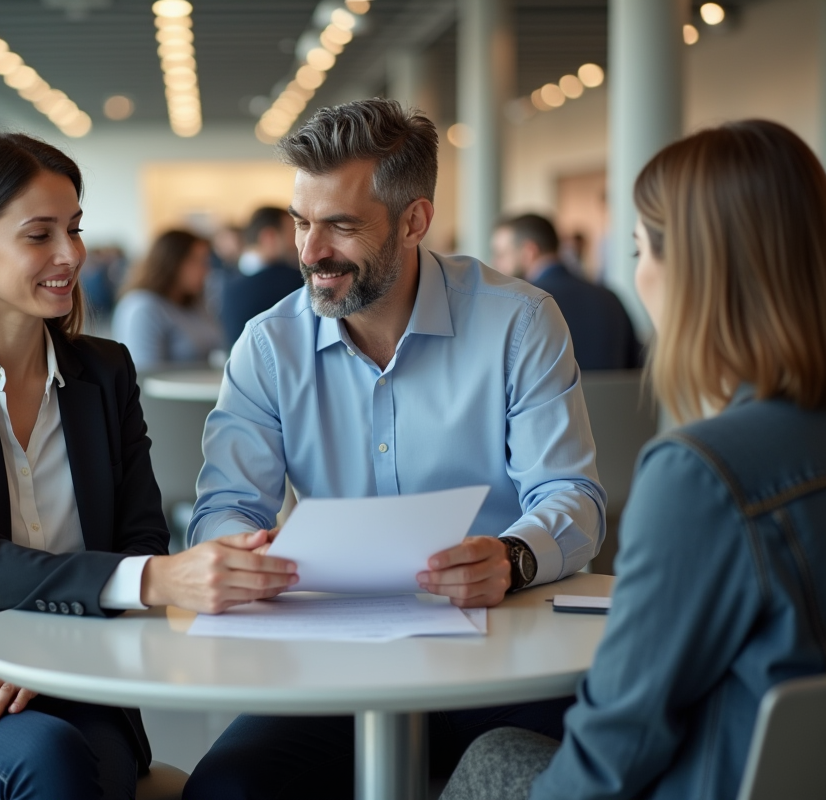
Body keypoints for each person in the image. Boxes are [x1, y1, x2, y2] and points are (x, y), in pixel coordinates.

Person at [0, 131, 298, 800]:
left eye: (73, 229)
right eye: (39, 235)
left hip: (71, 680)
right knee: (50, 761)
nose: (71, 255)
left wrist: (45, 649)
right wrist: (159, 581)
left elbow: (140, 534)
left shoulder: (104, 372)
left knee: (84, 763)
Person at [183, 98, 606, 798]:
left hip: (500, 656)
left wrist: (512, 557)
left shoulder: (519, 323)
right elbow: (223, 510)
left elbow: (573, 498)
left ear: (414, 221)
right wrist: (245, 555)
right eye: (301, 221)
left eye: (340, 226)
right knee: (226, 790)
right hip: (330, 668)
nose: (310, 251)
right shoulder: (267, 345)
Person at [439, 120, 826, 800]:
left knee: (491, 756)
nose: (639, 273)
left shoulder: (703, 475)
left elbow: (613, 756)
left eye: (641, 249)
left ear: (697, 272)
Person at [490, 214, 641, 371]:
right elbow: (635, 369)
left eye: (501, 255)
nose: (495, 263)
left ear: (529, 252)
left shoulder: (520, 306)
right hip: (613, 396)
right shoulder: (610, 298)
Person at [112, 229, 223, 371]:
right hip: (172, 392)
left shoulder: (194, 303)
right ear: (172, 262)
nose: (206, 270)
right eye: (198, 261)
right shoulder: (142, 307)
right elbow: (143, 376)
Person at [220, 206, 305, 346]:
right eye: (292, 234)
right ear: (269, 236)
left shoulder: (227, 280)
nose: (296, 243)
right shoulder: (292, 280)